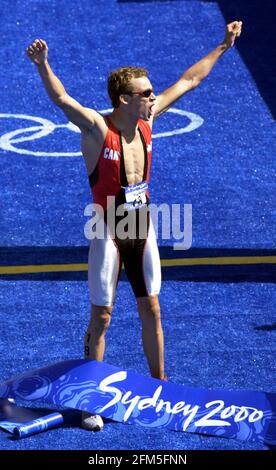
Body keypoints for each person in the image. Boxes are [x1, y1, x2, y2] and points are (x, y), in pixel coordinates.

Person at [26, 20, 242, 431]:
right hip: (106, 227)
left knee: (152, 308)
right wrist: (42, 64)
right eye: (145, 93)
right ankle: (89, 395)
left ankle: (161, 386)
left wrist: (224, 45)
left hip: (140, 224)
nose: (153, 97)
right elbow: (60, 98)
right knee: (103, 315)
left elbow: (190, 81)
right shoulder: (96, 128)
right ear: (124, 100)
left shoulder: (148, 120)